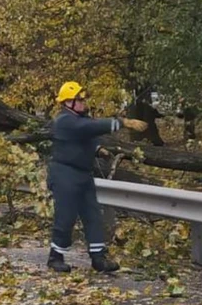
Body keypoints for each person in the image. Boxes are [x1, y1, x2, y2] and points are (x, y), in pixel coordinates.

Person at [47, 81, 148, 273]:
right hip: (64, 174)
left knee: (93, 215)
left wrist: (97, 149)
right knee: (66, 216)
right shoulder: (65, 120)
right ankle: (55, 257)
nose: (84, 102)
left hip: (83, 174)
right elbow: (88, 128)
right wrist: (121, 122)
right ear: (69, 102)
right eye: (80, 99)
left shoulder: (78, 119)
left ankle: (98, 258)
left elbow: (84, 136)